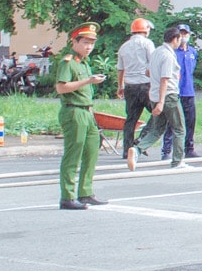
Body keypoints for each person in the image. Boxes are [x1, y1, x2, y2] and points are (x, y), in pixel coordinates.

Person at [51, 25, 107, 210]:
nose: (89, 46)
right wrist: (89, 80)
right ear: (74, 42)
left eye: (91, 43)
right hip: (73, 111)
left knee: (91, 151)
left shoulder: (84, 62)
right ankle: (67, 196)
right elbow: (61, 87)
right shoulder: (68, 62)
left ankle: (86, 192)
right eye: (85, 42)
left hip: (87, 111)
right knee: (73, 154)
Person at [133, 25, 190, 169]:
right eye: (179, 39)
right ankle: (178, 161)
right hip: (168, 96)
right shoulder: (168, 55)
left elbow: (148, 73)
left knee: (157, 129)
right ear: (175, 39)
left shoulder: (157, 52)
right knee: (179, 128)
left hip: (153, 94)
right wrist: (161, 102)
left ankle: (137, 149)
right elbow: (165, 79)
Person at [117, 17, 155, 170]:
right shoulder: (147, 44)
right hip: (145, 85)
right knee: (158, 113)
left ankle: (127, 149)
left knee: (131, 119)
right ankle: (141, 141)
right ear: (145, 30)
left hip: (130, 86)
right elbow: (153, 64)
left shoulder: (124, 47)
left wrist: (120, 86)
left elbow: (120, 69)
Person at [159, 24, 200, 161]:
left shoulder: (192, 52)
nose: (183, 36)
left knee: (190, 121)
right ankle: (166, 150)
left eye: (185, 33)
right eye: (180, 33)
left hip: (189, 91)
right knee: (172, 122)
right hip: (176, 91)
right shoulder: (173, 52)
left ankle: (189, 148)